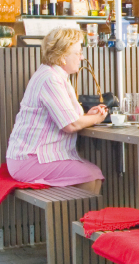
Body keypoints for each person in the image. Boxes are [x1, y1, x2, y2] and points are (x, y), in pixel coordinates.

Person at [6, 27, 107, 194]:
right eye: (78, 52)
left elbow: (70, 117)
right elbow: (71, 124)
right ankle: (78, 220)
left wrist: (87, 116)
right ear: (62, 57)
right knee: (91, 176)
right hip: (29, 159)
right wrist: (97, 119)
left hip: (32, 157)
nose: (81, 57)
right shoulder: (50, 79)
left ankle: (80, 219)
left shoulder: (55, 75)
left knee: (94, 176)